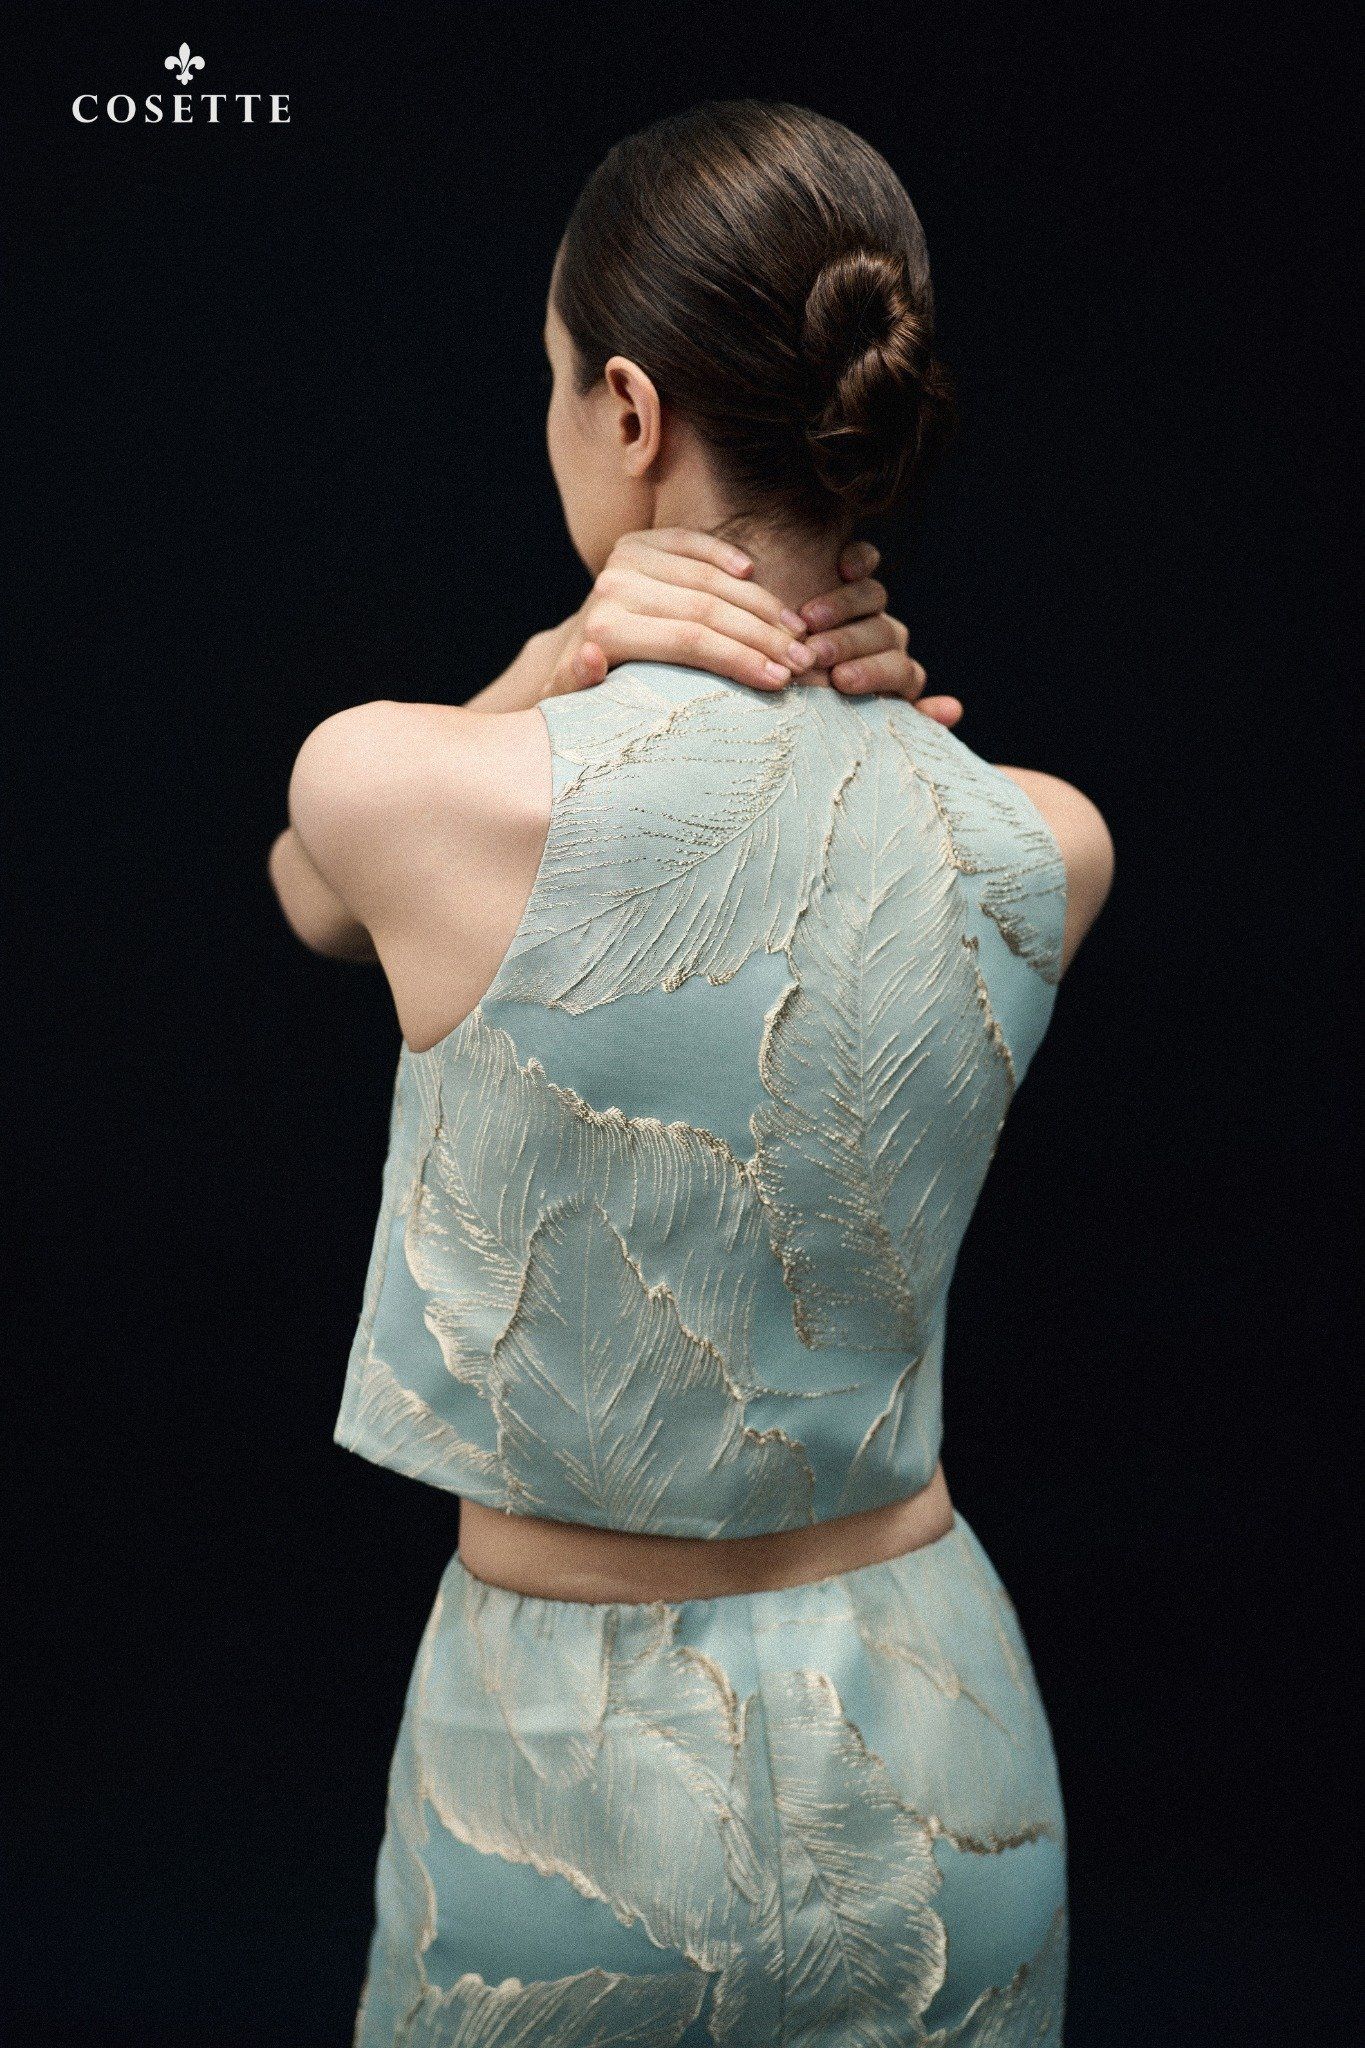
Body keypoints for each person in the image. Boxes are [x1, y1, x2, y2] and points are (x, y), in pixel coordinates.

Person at [269, 99, 1112, 2048]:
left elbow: (312, 888)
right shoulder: (1042, 843)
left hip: (556, 1774)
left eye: (555, 380)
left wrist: (550, 660)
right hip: (935, 1738)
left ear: (628, 411)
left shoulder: (405, 789)